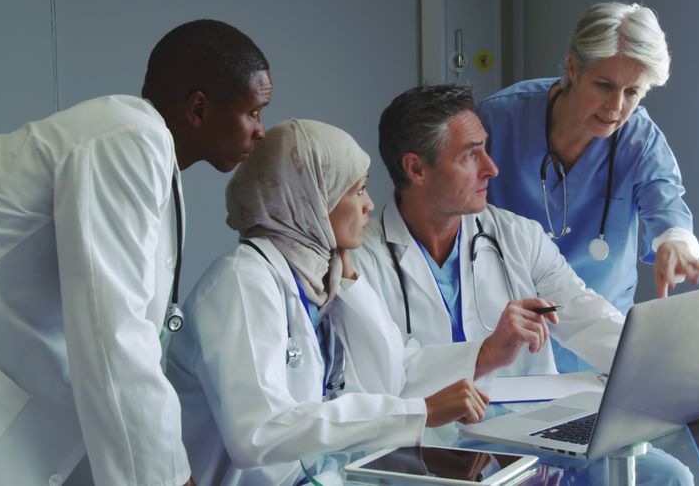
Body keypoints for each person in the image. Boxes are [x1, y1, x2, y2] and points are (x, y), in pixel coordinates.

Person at [0, 19, 270, 486]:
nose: (262, 131)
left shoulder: (149, 156)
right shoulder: (127, 139)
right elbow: (113, 335)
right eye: (254, 112)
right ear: (198, 108)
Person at [355, 84, 699, 486]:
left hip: (531, 436)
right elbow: (382, 381)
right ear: (416, 169)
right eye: (471, 155)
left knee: (666, 476)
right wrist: (488, 353)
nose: (492, 168)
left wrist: (679, 367)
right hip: (431, 451)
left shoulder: (516, 236)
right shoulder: (360, 261)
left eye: (486, 150)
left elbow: (585, 314)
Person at [165, 119, 495, 485]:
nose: (369, 205)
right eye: (358, 190)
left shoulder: (316, 280)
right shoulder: (242, 284)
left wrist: (350, 283)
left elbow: (387, 377)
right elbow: (259, 434)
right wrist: (421, 412)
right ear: (311, 200)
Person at [476, 1, 699, 372]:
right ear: (574, 69)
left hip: (599, 339)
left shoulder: (638, 137)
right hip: (507, 333)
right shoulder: (500, 118)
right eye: (604, 85)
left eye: (633, 92)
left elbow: (667, 203)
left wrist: (676, 245)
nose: (616, 106)